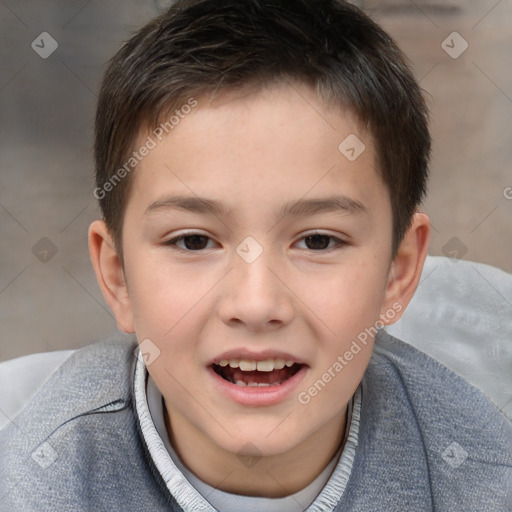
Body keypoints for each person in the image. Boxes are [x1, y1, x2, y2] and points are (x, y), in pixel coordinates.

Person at [1, 1, 511, 510]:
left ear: (397, 274)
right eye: (194, 241)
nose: (257, 302)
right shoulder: (32, 481)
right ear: (118, 277)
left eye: (317, 241)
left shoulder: (481, 479)